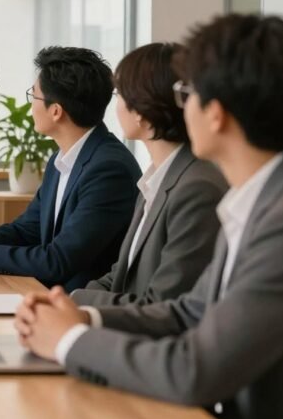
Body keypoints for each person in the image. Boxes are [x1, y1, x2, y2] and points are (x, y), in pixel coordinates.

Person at [15, 14, 283, 419]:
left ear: (217, 113)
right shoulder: (262, 197)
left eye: (186, 92)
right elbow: (188, 312)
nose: (180, 105)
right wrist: (82, 316)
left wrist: (70, 340)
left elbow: (196, 370)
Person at [0, 47, 140, 290]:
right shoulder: (63, 158)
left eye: (34, 96)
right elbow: (28, 230)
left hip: (74, 305)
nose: (31, 106)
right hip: (44, 294)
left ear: (56, 111)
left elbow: (59, 260)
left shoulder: (109, 170)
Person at [71, 43, 227, 306]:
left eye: (119, 94)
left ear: (142, 112)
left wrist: (77, 304)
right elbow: (121, 274)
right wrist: (69, 300)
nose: (115, 105)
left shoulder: (197, 188)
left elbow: (162, 303)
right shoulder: (156, 179)